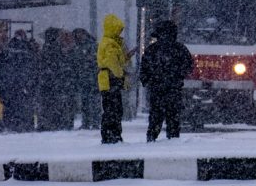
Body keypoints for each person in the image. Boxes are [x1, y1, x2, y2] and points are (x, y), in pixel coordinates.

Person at [139, 20, 194, 142]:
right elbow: (189, 67)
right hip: (174, 89)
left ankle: (151, 138)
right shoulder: (180, 49)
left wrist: (148, 81)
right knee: (173, 116)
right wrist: (177, 76)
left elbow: (144, 69)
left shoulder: (152, 50)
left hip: (156, 89)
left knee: (155, 116)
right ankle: (173, 139)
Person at [0, 30, 38, 132]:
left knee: (10, 108)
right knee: (24, 108)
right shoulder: (29, 51)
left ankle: (10, 126)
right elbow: (34, 70)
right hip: (24, 87)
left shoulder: (6, 52)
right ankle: (25, 126)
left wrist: (0, 87)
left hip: (9, 87)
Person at [96, 14, 131, 144]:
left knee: (111, 109)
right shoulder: (110, 44)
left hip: (107, 81)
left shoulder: (108, 42)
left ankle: (111, 135)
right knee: (113, 109)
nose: (120, 32)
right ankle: (112, 135)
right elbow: (113, 63)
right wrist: (121, 74)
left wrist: (125, 57)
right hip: (111, 80)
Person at [37, 27, 74, 130]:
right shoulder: (57, 48)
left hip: (47, 81)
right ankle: (55, 123)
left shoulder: (46, 48)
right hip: (56, 82)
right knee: (56, 104)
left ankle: (46, 124)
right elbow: (61, 65)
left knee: (47, 104)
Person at [70, 28, 100, 129]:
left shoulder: (91, 45)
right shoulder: (79, 46)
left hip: (91, 77)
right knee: (86, 101)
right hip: (85, 78)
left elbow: (94, 60)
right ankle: (87, 122)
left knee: (92, 101)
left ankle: (94, 122)